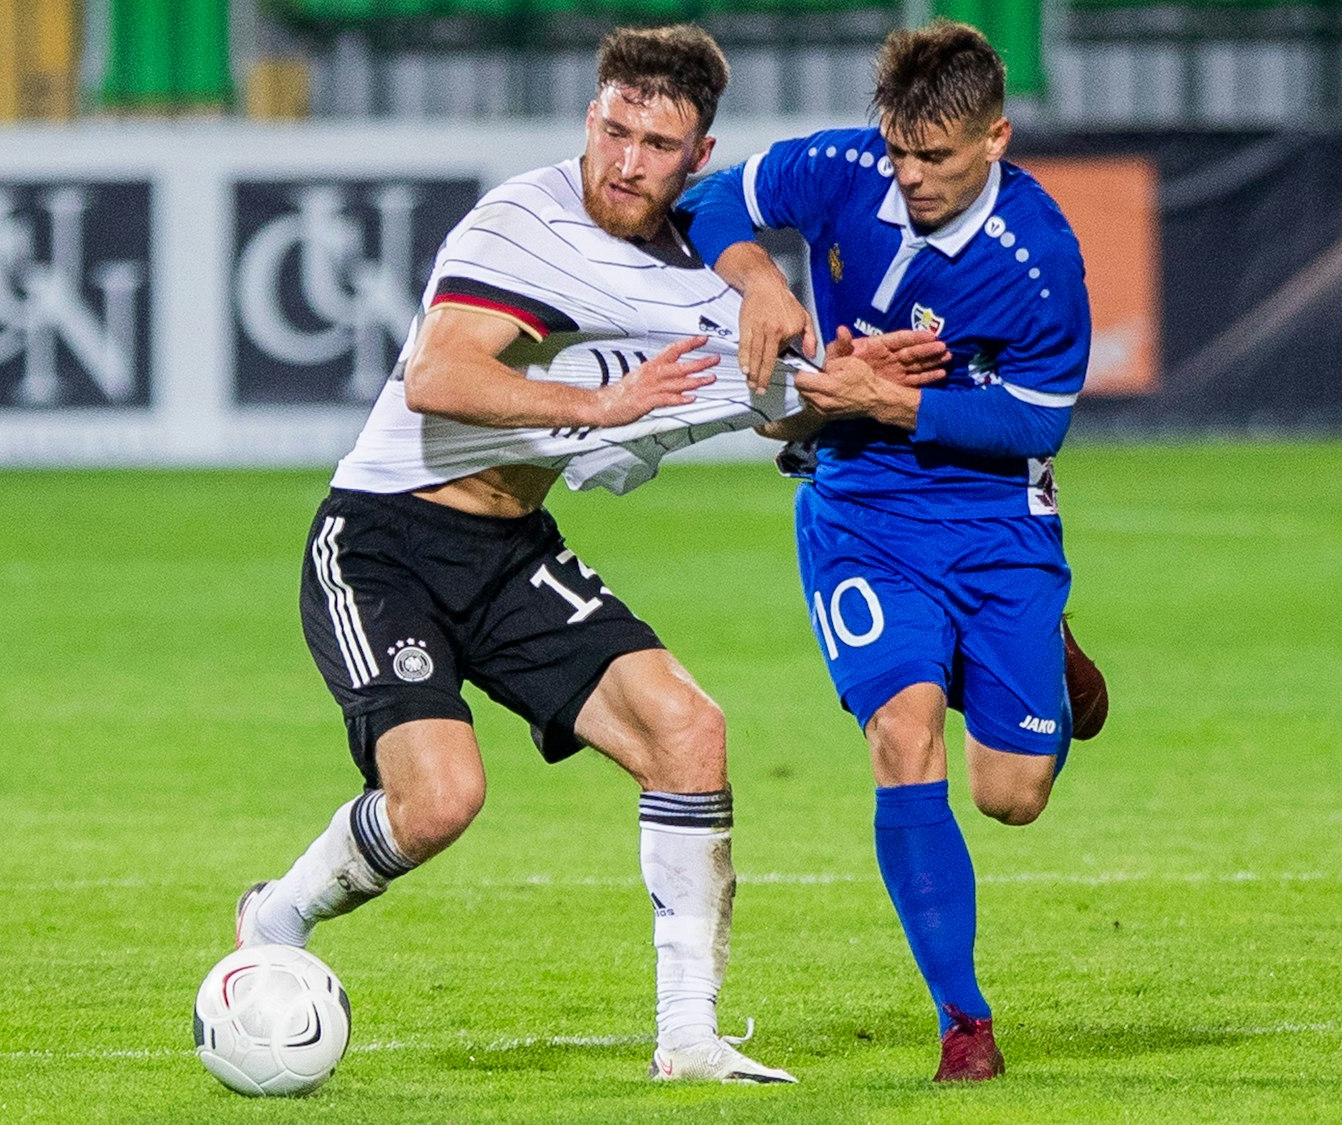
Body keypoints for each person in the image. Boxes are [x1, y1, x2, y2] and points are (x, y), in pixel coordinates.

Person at [234, 24, 935, 1085]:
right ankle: (275, 916)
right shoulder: (524, 222)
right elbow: (437, 375)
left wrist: (844, 382)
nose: (624, 161)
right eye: (612, 128)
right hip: (383, 542)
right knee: (439, 801)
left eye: (656, 143)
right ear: (589, 117)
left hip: (511, 552)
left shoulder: (706, 266)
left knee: (687, 730)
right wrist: (598, 404)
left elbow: (774, 410)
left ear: (697, 156)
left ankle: (688, 1040)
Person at [677, 20, 1103, 1082]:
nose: (909, 177)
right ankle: (964, 1022)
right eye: (900, 151)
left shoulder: (1038, 258)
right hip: (857, 505)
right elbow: (712, 198)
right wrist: (760, 283)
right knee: (900, 736)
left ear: (995, 137)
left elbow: (1033, 423)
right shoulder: (843, 166)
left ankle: (1027, 648)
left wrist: (897, 400)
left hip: (994, 523)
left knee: (1010, 795)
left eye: (937, 159)